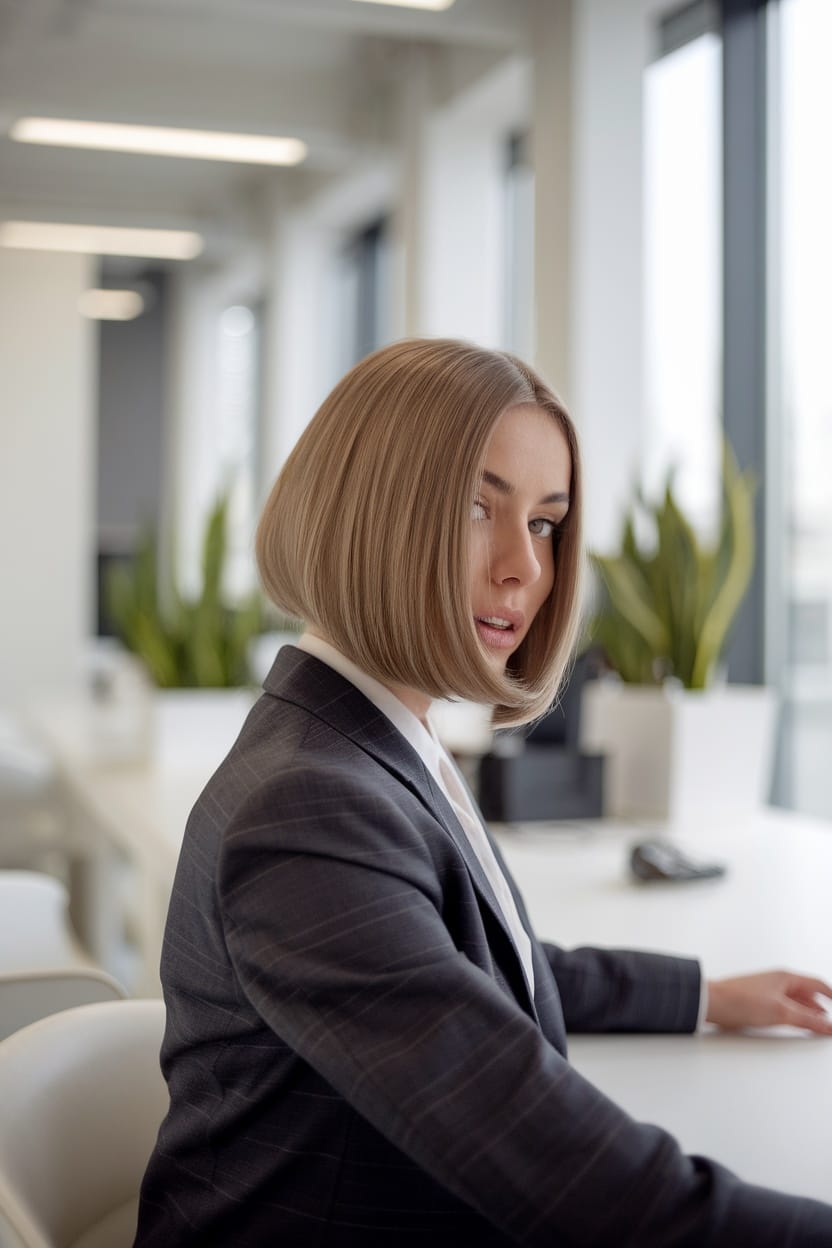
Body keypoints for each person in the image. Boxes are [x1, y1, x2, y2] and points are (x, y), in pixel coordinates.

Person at [134, 338, 832, 1246]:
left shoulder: (374, 739)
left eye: (545, 522)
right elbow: (561, 1170)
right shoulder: (305, 808)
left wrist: (703, 994)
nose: (525, 569)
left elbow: (469, 962)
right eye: (476, 508)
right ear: (367, 514)